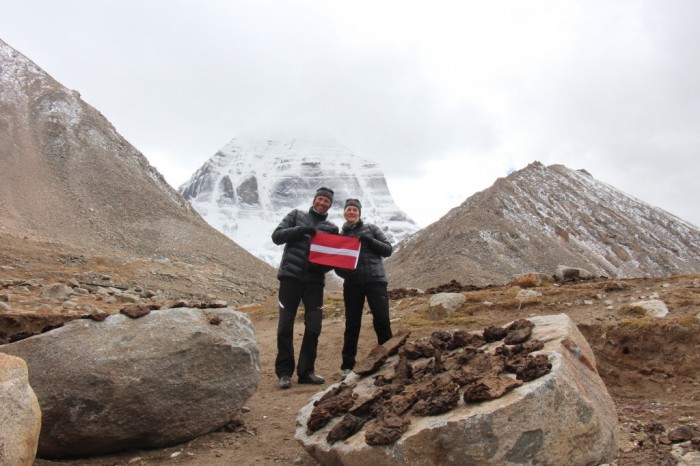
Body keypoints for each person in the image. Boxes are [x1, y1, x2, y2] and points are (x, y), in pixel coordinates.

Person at [271, 187, 339, 389]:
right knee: (285, 326)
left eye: (326, 201)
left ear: (330, 204)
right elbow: (277, 236)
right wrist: (300, 230)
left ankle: (306, 371)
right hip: (290, 278)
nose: (322, 203)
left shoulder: (331, 228)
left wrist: (321, 266)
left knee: (314, 326)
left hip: (314, 282)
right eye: (320, 199)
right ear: (314, 200)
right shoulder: (295, 216)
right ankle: (284, 373)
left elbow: (332, 259)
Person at [334, 198, 393, 380]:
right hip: (352, 284)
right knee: (352, 323)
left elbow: (387, 249)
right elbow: (336, 263)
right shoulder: (340, 236)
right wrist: (346, 274)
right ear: (344, 212)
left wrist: (369, 240)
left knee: (382, 320)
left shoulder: (372, 229)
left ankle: (390, 357)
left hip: (375, 280)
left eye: (355, 210)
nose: (351, 212)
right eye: (348, 209)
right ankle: (347, 365)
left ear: (359, 213)